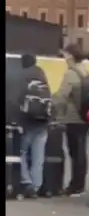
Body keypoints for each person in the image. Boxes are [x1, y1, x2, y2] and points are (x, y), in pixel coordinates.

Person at [53, 43, 89, 196]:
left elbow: (62, 96)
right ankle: (80, 184)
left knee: (75, 152)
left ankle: (76, 186)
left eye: (64, 54)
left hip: (73, 118)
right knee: (81, 152)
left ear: (70, 55)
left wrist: (50, 103)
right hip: (85, 117)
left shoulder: (71, 73)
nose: (63, 57)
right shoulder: (85, 71)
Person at [16, 54, 51, 198]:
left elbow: (17, 98)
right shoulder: (42, 75)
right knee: (38, 156)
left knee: (22, 152)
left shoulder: (22, 76)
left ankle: (27, 181)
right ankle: (36, 186)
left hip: (28, 121)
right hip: (44, 122)